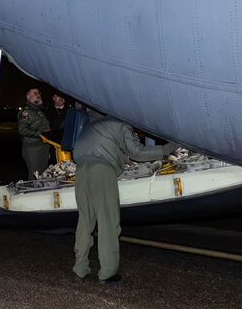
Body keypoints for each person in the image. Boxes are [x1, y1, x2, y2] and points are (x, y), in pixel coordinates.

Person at [72, 115, 179, 283]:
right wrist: (167, 149)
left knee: (85, 221)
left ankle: (80, 268)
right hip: (101, 170)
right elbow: (137, 152)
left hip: (81, 171)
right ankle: (108, 271)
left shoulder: (91, 124)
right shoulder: (120, 124)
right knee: (108, 221)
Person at [17, 87, 50, 179]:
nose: (39, 95)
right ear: (28, 96)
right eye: (35, 93)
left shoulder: (39, 111)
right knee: (34, 176)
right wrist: (39, 134)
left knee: (43, 175)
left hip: (43, 147)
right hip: (33, 148)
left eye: (39, 93)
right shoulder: (26, 112)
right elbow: (22, 130)